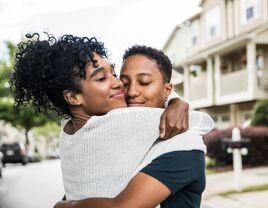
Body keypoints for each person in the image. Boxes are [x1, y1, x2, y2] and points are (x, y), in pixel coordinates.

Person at [11, 33, 213, 208]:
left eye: (144, 82)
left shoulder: (182, 143)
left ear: (167, 89)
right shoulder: (98, 131)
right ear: (72, 97)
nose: (126, 89)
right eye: (123, 81)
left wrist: (177, 102)